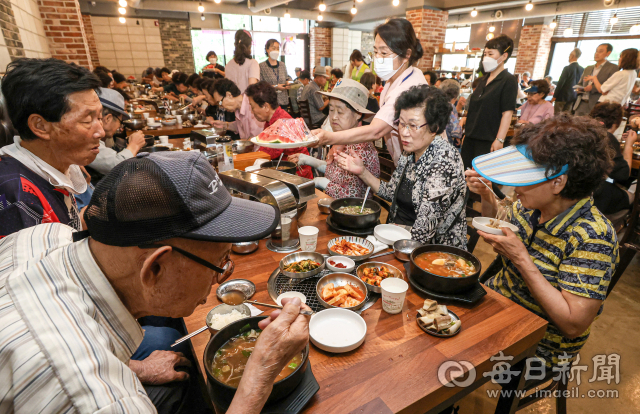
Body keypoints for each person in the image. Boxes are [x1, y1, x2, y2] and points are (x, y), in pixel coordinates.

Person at [0, 150, 311, 414]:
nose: (220, 279)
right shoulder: (95, 399)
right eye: (220, 264)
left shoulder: (44, 234)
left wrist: (134, 368)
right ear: (154, 269)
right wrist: (263, 370)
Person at [466, 113, 618, 369]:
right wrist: (486, 196)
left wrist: (521, 259)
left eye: (527, 178)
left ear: (558, 182)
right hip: (498, 304)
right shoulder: (529, 207)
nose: (517, 187)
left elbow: (572, 324)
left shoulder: (594, 237)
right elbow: (495, 223)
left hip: (540, 343)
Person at [335, 86, 467, 247]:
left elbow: (423, 232)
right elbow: (391, 193)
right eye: (401, 124)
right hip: (398, 238)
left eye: (413, 125)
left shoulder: (445, 161)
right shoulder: (410, 152)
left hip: (433, 253)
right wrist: (362, 171)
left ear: (435, 127)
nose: (404, 132)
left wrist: (382, 239)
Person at [0, 58, 103, 237]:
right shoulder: (18, 199)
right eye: (87, 120)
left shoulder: (56, 164)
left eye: (100, 117)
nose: (100, 132)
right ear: (40, 126)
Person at [312, 18, 427, 165]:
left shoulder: (410, 86)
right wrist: (341, 141)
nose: (378, 58)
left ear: (406, 55)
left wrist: (329, 137)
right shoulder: (392, 82)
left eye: (384, 53)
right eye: (375, 52)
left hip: (424, 166)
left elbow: (376, 130)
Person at [289, 79, 380, 198]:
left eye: (340, 112)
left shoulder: (361, 148)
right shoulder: (343, 140)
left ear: (358, 114)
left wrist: (319, 181)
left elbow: (353, 194)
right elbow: (335, 172)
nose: (334, 117)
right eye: (331, 110)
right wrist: (307, 159)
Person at [461, 34, 518, 169]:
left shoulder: (508, 80)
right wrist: (467, 133)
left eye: (490, 54)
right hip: (471, 137)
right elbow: (474, 109)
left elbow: (507, 113)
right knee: (464, 177)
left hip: (488, 139)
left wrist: (499, 140)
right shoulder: (483, 79)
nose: (486, 57)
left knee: (480, 181)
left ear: (504, 56)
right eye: (485, 54)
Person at [245, 81, 313, 179]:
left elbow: (264, 155)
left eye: (252, 106)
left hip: (298, 176)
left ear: (266, 106)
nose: (252, 111)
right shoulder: (273, 119)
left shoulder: (283, 123)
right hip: (284, 172)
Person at [86, 87, 146, 179]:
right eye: (120, 121)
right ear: (108, 119)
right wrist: (134, 145)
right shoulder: (87, 137)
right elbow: (118, 167)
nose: (119, 127)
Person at [590, 102, 637, 214]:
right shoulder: (607, 137)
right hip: (592, 194)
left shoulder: (586, 131)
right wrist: (629, 146)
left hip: (572, 189)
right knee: (632, 196)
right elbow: (623, 175)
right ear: (617, 123)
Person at [574, 43, 619, 116]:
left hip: (596, 105)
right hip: (580, 104)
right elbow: (578, 86)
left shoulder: (613, 68)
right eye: (596, 51)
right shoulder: (588, 68)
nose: (597, 54)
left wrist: (592, 88)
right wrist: (582, 89)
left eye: (600, 51)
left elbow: (610, 88)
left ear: (608, 53)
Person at [259, 39, 292, 109]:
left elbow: (288, 78)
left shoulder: (282, 65)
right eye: (273, 48)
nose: (276, 51)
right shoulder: (261, 66)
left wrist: (288, 82)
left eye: (277, 49)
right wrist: (276, 86)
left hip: (283, 102)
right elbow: (261, 86)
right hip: (269, 103)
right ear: (267, 49)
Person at [552, 48, 584, 114]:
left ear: (572, 56)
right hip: (573, 97)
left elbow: (561, 83)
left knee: (557, 116)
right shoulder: (582, 69)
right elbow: (581, 84)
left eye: (570, 55)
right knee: (566, 117)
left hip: (562, 97)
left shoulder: (567, 68)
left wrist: (554, 96)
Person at [439, 79, 463, 148]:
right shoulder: (450, 106)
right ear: (456, 95)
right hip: (446, 143)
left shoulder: (437, 104)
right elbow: (455, 130)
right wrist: (462, 122)